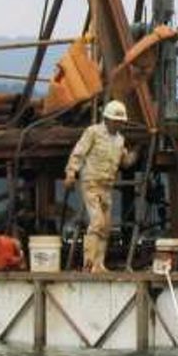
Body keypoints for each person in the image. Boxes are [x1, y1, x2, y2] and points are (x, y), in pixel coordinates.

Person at [63, 99, 138, 273]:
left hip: (106, 186)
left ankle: (99, 264)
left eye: (120, 121)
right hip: (91, 183)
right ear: (107, 119)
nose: (118, 124)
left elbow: (125, 162)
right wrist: (71, 173)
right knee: (96, 222)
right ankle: (88, 264)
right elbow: (79, 153)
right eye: (115, 120)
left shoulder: (120, 140)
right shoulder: (93, 133)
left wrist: (137, 151)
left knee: (105, 226)